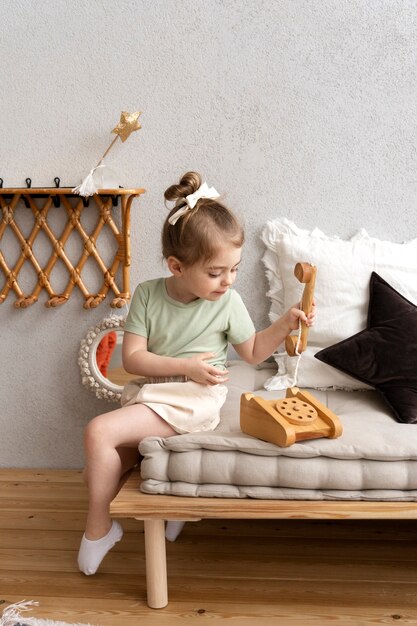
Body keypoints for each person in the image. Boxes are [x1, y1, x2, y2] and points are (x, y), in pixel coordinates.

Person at [77, 171, 316, 575]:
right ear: (176, 266)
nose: (228, 281)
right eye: (215, 272)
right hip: (151, 390)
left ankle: (99, 530)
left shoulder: (228, 302)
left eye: (233, 269)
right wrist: (185, 364)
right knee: (98, 468)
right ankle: (175, 503)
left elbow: (254, 352)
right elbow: (132, 360)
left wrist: (284, 326)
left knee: (98, 432)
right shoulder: (149, 295)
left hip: (194, 397)